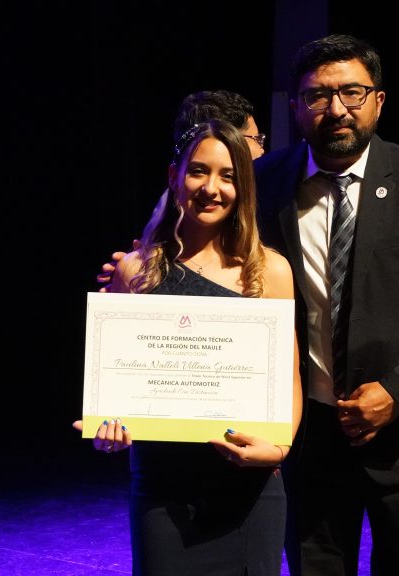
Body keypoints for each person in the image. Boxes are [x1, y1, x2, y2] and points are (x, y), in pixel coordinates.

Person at [254, 34, 399, 575]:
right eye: (317, 95)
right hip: (308, 441)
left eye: (352, 92)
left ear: (378, 100)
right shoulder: (265, 182)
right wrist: (142, 274)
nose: (336, 109)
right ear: (295, 106)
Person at [77, 120, 302, 576]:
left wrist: (279, 447)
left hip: (249, 490)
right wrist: (108, 426)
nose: (211, 188)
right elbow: (117, 383)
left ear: (244, 187)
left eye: (228, 176)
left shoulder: (269, 271)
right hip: (163, 489)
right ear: (174, 176)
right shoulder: (136, 271)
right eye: (199, 171)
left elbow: (289, 378)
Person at [96, 89, 265, 291]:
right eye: (255, 139)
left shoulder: (269, 268)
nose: (261, 149)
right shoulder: (180, 201)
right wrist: (127, 276)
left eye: (228, 176)